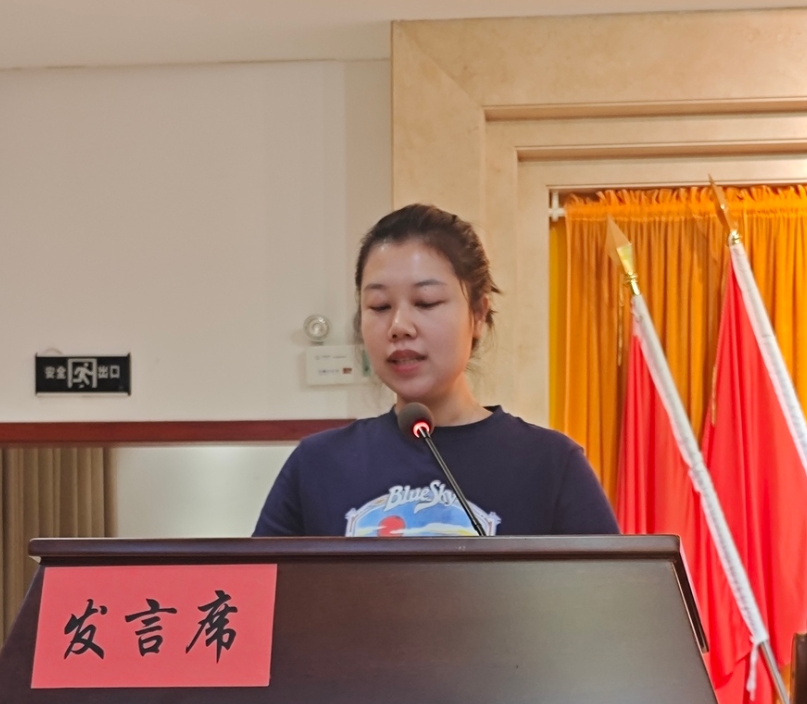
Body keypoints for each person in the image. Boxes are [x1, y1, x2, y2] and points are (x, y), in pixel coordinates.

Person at [254, 204, 619, 537]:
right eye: (379, 306)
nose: (399, 326)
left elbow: (611, 587)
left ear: (478, 314)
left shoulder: (551, 464)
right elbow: (257, 584)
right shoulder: (317, 464)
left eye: (426, 302)